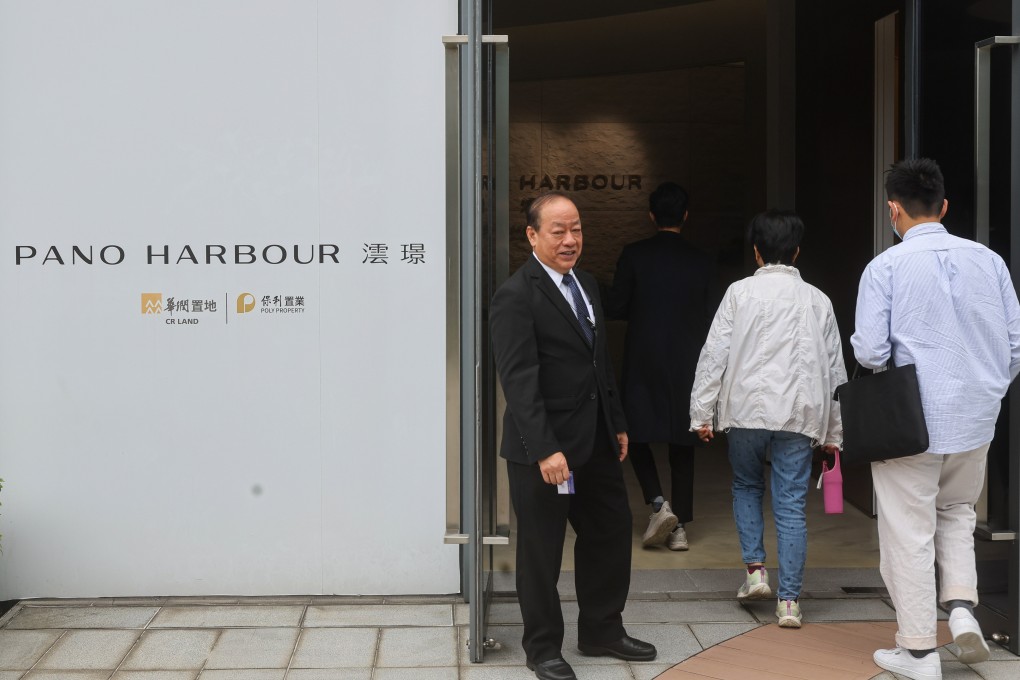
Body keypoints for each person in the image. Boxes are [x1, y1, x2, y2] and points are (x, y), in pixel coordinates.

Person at [851, 158, 1020, 680]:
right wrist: (984, 388)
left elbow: (871, 352)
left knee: (908, 531)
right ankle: (964, 609)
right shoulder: (989, 261)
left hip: (910, 422)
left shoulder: (885, 268)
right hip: (974, 419)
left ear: (892, 210)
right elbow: (1013, 347)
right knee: (958, 513)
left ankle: (920, 651)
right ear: (944, 207)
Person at [490, 192, 657, 680]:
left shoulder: (585, 283)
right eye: (558, 231)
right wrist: (545, 448)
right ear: (532, 235)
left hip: (597, 440)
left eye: (576, 229)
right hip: (543, 450)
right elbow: (518, 381)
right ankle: (542, 648)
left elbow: (598, 361)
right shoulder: (515, 295)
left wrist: (618, 421)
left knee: (609, 532)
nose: (570, 240)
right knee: (541, 551)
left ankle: (602, 630)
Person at [689, 209, 845, 629]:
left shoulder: (738, 293)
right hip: (798, 415)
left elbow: (713, 356)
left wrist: (701, 413)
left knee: (745, 484)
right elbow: (835, 371)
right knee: (792, 504)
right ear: (796, 252)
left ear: (756, 252)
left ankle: (756, 573)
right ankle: (790, 602)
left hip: (745, 412)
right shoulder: (817, 299)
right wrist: (834, 433)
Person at [605, 182, 715, 551]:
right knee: (682, 444)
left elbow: (617, 306)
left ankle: (657, 503)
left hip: (643, 356)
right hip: (687, 359)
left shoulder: (635, 255)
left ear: (651, 216)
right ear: (685, 215)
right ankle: (679, 525)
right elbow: (711, 315)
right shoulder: (701, 259)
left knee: (633, 434)